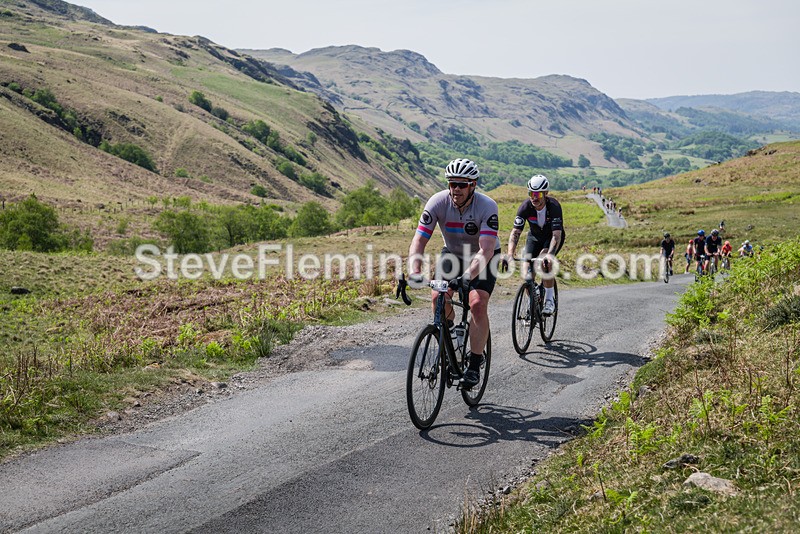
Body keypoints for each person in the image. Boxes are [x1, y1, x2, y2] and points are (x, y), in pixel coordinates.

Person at [408, 158, 500, 388]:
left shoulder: (487, 206)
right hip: (453, 253)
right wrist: (414, 271)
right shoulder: (438, 202)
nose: (456, 189)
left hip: (484, 256)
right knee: (439, 295)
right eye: (452, 184)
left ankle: (474, 365)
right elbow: (419, 240)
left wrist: (467, 277)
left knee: (477, 302)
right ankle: (449, 340)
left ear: (473, 185)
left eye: (462, 184)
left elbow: (486, 249)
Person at [502, 174, 565, 316]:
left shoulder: (554, 206)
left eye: (538, 194)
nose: (534, 197)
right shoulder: (525, 207)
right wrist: (510, 254)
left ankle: (549, 300)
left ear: (546, 193)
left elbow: (556, 235)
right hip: (535, 237)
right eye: (531, 193)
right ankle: (533, 302)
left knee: (544, 263)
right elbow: (515, 232)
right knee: (527, 274)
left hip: (551, 237)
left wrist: (550, 254)